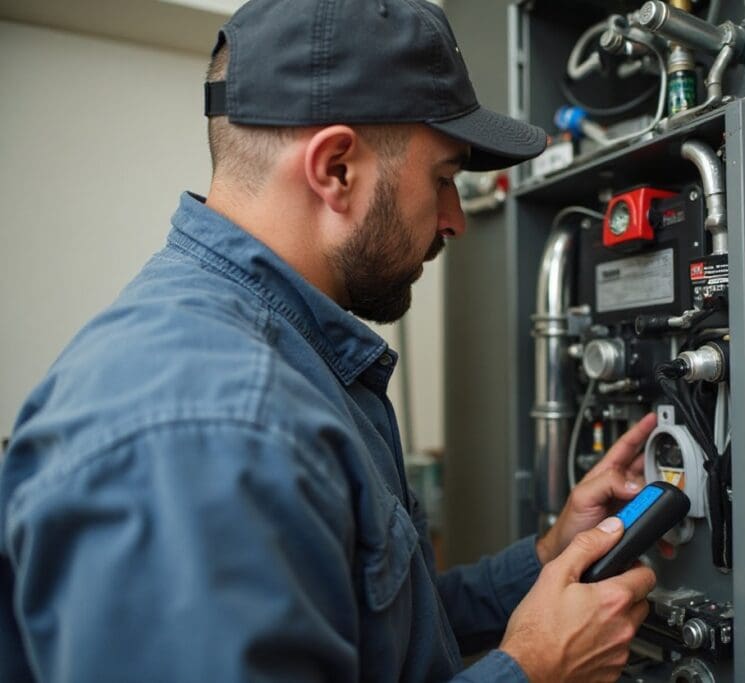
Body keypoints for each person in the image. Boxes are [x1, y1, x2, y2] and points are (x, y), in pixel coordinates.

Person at [0, 1, 661, 681]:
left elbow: (366, 627)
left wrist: (547, 557)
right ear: (337, 169)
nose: (455, 219)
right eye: (443, 179)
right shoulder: (212, 428)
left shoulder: (286, 360)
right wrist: (534, 669)